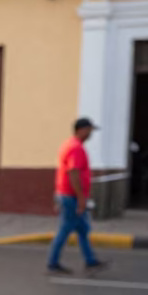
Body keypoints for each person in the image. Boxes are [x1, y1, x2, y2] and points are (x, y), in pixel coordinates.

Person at [48, 118, 106, 275]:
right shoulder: (76, 148)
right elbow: (73, 173)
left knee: (82, 229)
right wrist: (81, 199)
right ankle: (53, 263)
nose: (90, 134)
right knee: (66, 229)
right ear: (81, 130)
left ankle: (90, 261)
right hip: (71, 197)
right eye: (89, 130)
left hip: (68, 195)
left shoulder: (70, 145)